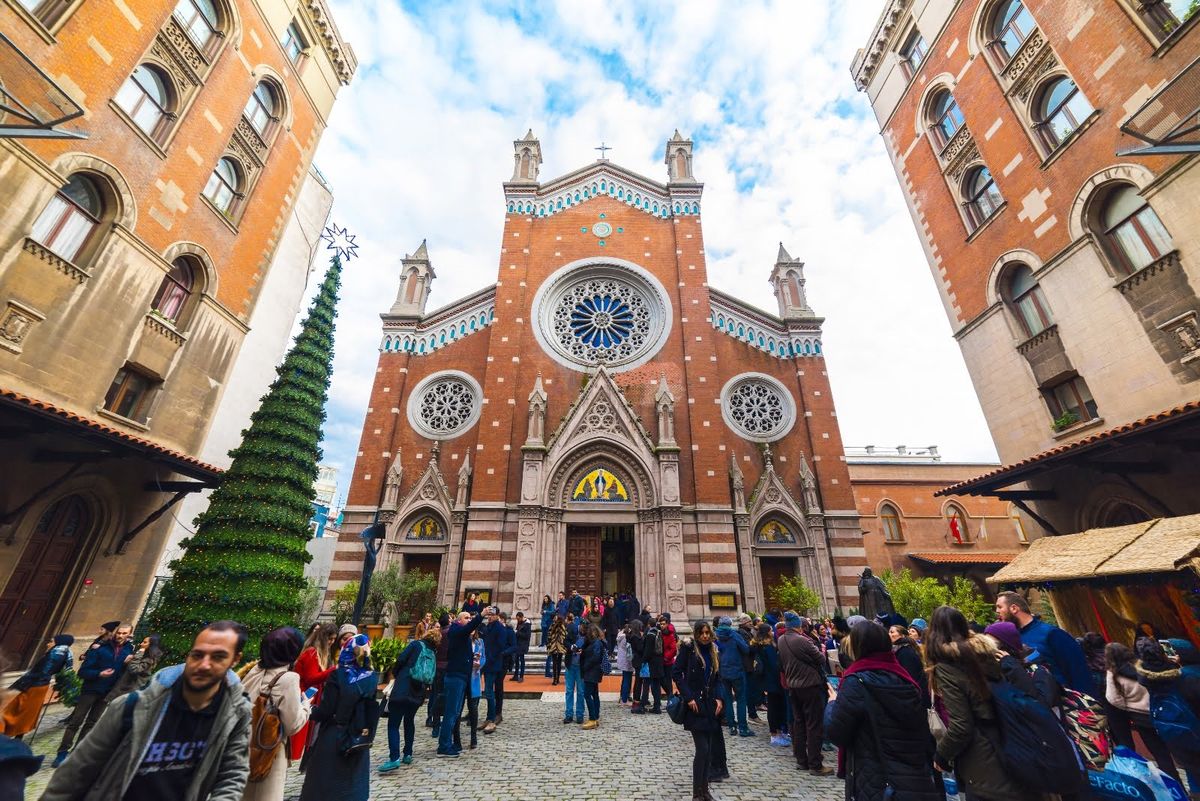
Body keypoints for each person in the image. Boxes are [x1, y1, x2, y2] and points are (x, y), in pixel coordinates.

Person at [42, 620, 253, 801]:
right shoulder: (131, 706)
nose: (204, 664)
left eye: (218, 657)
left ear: (235, 659)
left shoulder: (235, 714)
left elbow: (233, 773)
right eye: (198, 655)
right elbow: (75, 773)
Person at [825, 620, 942, 801]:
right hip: (913, 777)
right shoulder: (905, 679)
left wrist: (833, 703)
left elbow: (836, 732)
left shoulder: (856, 682)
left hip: (876, 778)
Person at [925, 605, 1027, 801]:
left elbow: (961, 725)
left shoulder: (947, 666)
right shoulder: (985, 653)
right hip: (1010, 738)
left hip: (983, 754)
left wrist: (942, 755)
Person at [300, 633, 378, 800]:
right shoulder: (371, 676)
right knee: (353, 782)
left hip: (335, 735)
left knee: (325, 783)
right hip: (358, 735)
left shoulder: (338, 675)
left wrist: (308, 708)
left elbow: (326, 710)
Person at [241, 627, 309, 801]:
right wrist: (306, 707)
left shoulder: (253, 670)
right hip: (267, 750)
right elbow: (292, 725)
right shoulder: (288, 678)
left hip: (242, 749)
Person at [53, 622, 133, 767]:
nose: (120, 636)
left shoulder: (129, 651)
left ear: (129, 635)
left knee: (91, 723)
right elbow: (82, 672)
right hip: (90, 689)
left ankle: (78, 752)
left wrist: (128, 663)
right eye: (119, 633)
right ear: (115, 633)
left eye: (124, 633)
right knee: (75, 722)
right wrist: (99, 674)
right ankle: (62, 752)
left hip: (108, 693)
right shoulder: (100, 648)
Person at [1105, 642, 1181, 786]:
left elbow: (1113, 699)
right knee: (1178, 749)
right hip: (1160, 711)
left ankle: (1176, 786)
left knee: (1160, 754)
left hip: (1141, 719)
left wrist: (1130, 707)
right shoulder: (1141, 665)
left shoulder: (1113, 674)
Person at [994, 591, 1091, 694]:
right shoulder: (1010, 640)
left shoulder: (1051, 633)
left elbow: (1078, 670)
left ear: (1014, 608)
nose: (997, 611)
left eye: (1000, 607)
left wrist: (1088, 701)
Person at [1136, 637, 1200, 790]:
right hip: (1193, 728)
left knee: (1191, 770)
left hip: (1176, 734)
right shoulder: (1188, 677)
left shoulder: (1152, 681)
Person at [674, 621, 728, 801]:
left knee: (709, 749)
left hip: (710, 705)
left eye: (707, 632)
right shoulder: (689, 649)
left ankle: (705, 791)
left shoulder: (714, 650)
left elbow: (718, 677)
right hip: (695, 705)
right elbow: (676, 673)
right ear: (696, 634)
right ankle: (697, 793)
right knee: (703, 749)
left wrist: (719, 697)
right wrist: (688, 697)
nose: (705, 636)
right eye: (701, 633)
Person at [379, 626, 440, 771]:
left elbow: (401, 659)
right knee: (409, 721)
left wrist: (396, 674)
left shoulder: (415, 645)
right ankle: (408, 753)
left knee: (393, 724)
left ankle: (394, 758)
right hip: (418, 691)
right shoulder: (432, 653)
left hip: (403, 686)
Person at [778, 612, 830, 774]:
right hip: (810, 685)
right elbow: (821, 659)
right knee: (814, 724)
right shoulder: (802, 640)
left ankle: (801, 760)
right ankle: (815, 764)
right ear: (799, 626)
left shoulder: (781, 640)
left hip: (793, 686)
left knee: (799, 723)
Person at [1, 635, 73, 738]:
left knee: (14, 711)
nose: (48, 644)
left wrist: (21, 685)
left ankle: (7, 735)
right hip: (40, 686)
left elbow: (43, 672)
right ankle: (17, 737)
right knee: (26, 713)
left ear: (59, 643)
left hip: (34, 686)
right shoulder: (64, 653)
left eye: (51, 641)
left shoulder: (54, 654)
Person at [438, 609, 485, 756]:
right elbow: (469, 628)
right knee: (451, 713)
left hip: (462, 677)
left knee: (455, 712)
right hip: (456, 677)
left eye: (471, 618)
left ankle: (450, 743)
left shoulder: (462, 635)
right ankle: (444, 746)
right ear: (458, 621)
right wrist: (481, 615)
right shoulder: (456, 631)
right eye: (466, 618)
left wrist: (474, 660)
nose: (469, 620)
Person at [292, 623, 337, 760]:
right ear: (323, 637)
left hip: (308, 695)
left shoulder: (319, 652)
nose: (332, 642)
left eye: (334, 639)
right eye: (330, 638)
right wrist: (333, 670)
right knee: (297, 734)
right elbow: (311, 678)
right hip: (303, 695)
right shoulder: (312, 653)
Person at [715, 616, 752, 737]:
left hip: (723, 671)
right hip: (737, 670)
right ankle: (743, 728)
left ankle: (732, 726)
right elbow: (746, 649)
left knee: (728, 699)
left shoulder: (715, 636)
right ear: (730, 624)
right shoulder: (734, 635)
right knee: (741, 699)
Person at [752, 624, 788, 746]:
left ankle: (777, 732)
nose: (773, 632)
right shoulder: (768, 647)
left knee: (774, 706)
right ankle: (775, 734)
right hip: (773, 680)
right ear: (767, 632)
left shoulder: (759, 645)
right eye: (771, 630)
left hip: (767, 680)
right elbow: (774, 665)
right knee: (774, 707)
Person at [481, 608, 515, 733]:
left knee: (493, 689)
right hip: (488, 663)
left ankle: (494, 715)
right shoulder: (487, 627)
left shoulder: (502, 629)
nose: (489, 617)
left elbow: (503, 646)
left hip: (497, 663)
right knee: (488, 690)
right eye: (488, 614)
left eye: (492, 615)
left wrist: (493, 656)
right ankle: (490, 716)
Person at [105, 634, 163, 702]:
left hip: (127, 692)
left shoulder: (149, 660)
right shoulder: (142, 655)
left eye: (145, 642)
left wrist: (140, 652)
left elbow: (134, 669)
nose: (141, 644)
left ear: (151, 645)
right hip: (121, 688)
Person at [453, 629, 485, 750]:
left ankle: (473, 737)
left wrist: (479, 664)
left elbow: (484, 657)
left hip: (474, 677)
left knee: (473, 709)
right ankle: (456, 739)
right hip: (462, 677)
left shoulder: (480, 642)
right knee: (458, 709)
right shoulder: (461, 641)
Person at [888, 625, 928, 704]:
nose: (889, 634)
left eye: (892, 632)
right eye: (889, 632)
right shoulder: (899, 650)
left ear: (902, 635)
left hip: (913, 698)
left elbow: (910, 677)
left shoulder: (905, 652)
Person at [580, 625, 606, 729]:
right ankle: (595, 716)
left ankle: (592, 718)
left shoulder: (596, 643)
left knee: (587, 694)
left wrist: (585, 666)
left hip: (592, 672)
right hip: (593, 671)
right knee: (594, 694)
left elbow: (595, 657)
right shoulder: (594, 642)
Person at [563, 615, 586, 725]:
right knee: (569, 691)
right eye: (582, 627)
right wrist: (572, 647)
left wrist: (583, 651)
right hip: (570, 664)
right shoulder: (572, 629)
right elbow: (565, 641)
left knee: (581, 692)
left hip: (581, 666)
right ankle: (569, 714)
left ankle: (580, 715)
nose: (583, 630)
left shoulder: (587, 636)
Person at [627, 619, 647, 714]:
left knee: (638, 681)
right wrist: (643, 639)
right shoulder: (635, 637)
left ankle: (637, 700)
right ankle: (636, 700)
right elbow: (640, 648)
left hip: (637, 660)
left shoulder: (633, 636)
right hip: (638, 660)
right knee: (639, 681)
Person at [660, 614, 679, 702]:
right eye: (661, 624)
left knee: (668, 680)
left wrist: (666, 657)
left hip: (668, 661)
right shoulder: (660, 633)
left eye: (663, 624)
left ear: (667, 624)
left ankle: (670, 697)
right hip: (661, 660)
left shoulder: (670, 634)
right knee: (661, 679)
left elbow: (673, 649)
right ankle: (670, 695)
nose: (662, 625)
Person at [616, 623, 634, 705]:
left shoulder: (620, 636)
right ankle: (624, 699)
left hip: (622, 659)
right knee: (627, 679)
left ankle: (623, 696)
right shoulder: (627, 637)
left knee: (625, 678)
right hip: (628, 660)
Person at [547, 614, 567, 686]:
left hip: (556, 646)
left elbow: (549, 636)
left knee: (556, 663)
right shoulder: (562, 626)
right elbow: (564, 636)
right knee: (557, 663)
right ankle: (556, 679)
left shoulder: (556, 626)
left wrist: (549, 645)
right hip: (558, 646)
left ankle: (556, 679)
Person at [512, 612, 531, 682]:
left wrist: (518, 633)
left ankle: (521, 676)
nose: (517, 620)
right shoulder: (520, 623)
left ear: (521, 617)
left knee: (522, 660)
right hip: (518, 643)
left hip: (523, 644)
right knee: (516, 660)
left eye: (518, 619)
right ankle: (516, 675)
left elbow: (527, 635)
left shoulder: (527, 624)